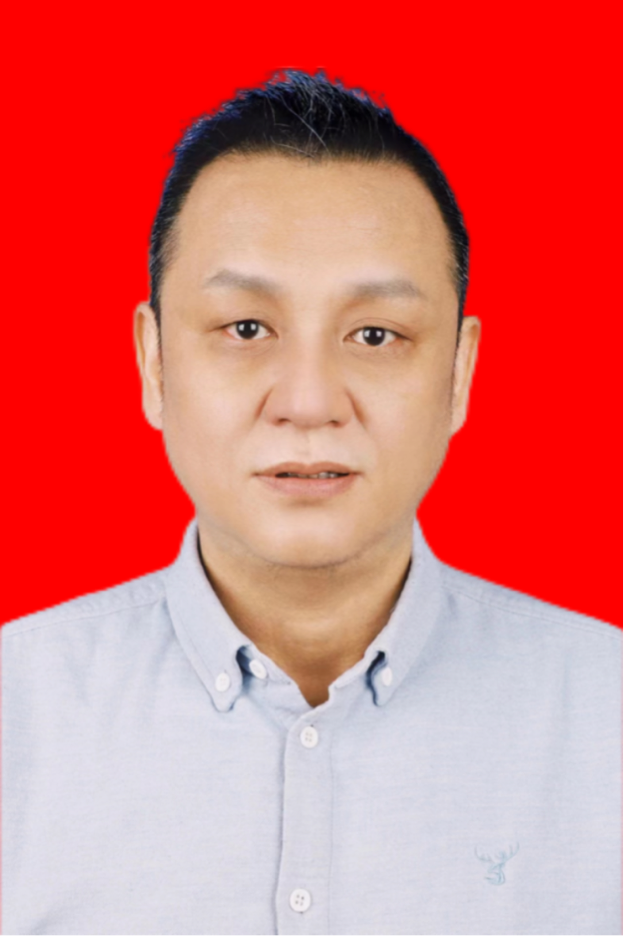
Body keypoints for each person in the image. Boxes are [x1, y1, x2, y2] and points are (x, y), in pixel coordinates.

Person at [2, 70, 620, 935]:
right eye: (246, 329)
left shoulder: (604, 716)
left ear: (459, 372)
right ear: (153, 361)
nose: (309, 401)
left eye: (375, 335)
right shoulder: (17, 718)